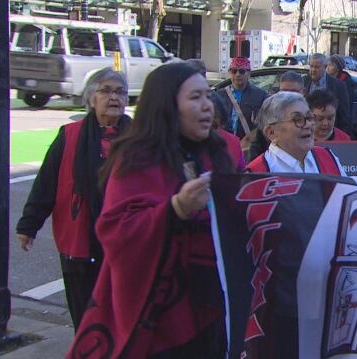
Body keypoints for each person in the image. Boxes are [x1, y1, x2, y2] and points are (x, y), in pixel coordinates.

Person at [68, 62, 240, 358]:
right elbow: (116, 230)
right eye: (195, 97)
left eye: (208, 97)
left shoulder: (217, 153)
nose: (206, 106)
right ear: (167, 105)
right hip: (157, 319)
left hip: (211, 310)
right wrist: (175, 209)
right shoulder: (136, 158)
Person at [16, 68, 131, 330]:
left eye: (119, 92)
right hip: (81, 240)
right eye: (105, 91)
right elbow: (46, 182)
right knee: (86, 316)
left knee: (122, 318)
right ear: (91, 98)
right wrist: (28, 225)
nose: (113, 97)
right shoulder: (70, 135)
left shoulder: (140, 137)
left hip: (126, 241)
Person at [246, 91, 347, 176]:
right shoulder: (256, 174)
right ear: (271, 132)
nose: (308, 124)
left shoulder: (328, 157)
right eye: (297, 119)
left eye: (309, 117)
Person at [248, 71, 307, 161]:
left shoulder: (311, 115)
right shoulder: (269, 113)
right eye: (284, 92)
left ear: (303, 91)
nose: (288, 97)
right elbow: (258, 145)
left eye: (293, 92)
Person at [215, 57, 268, 140]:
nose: (237, 74)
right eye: (234, 71)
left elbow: (264, 123)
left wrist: (251, 139)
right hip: (224, 142)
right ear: (229, 73)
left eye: (242, 71)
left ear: (249, 74)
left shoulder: (261, 96)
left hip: (248, 145)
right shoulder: (219, 95)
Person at [305, 53, 352, 135]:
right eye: (311, 66)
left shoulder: (338, 85)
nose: (313, 70)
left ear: (325, 67)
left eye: (316, 67)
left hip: (328, 134)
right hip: (307, 132)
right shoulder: (304, 82)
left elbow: (344, 115)